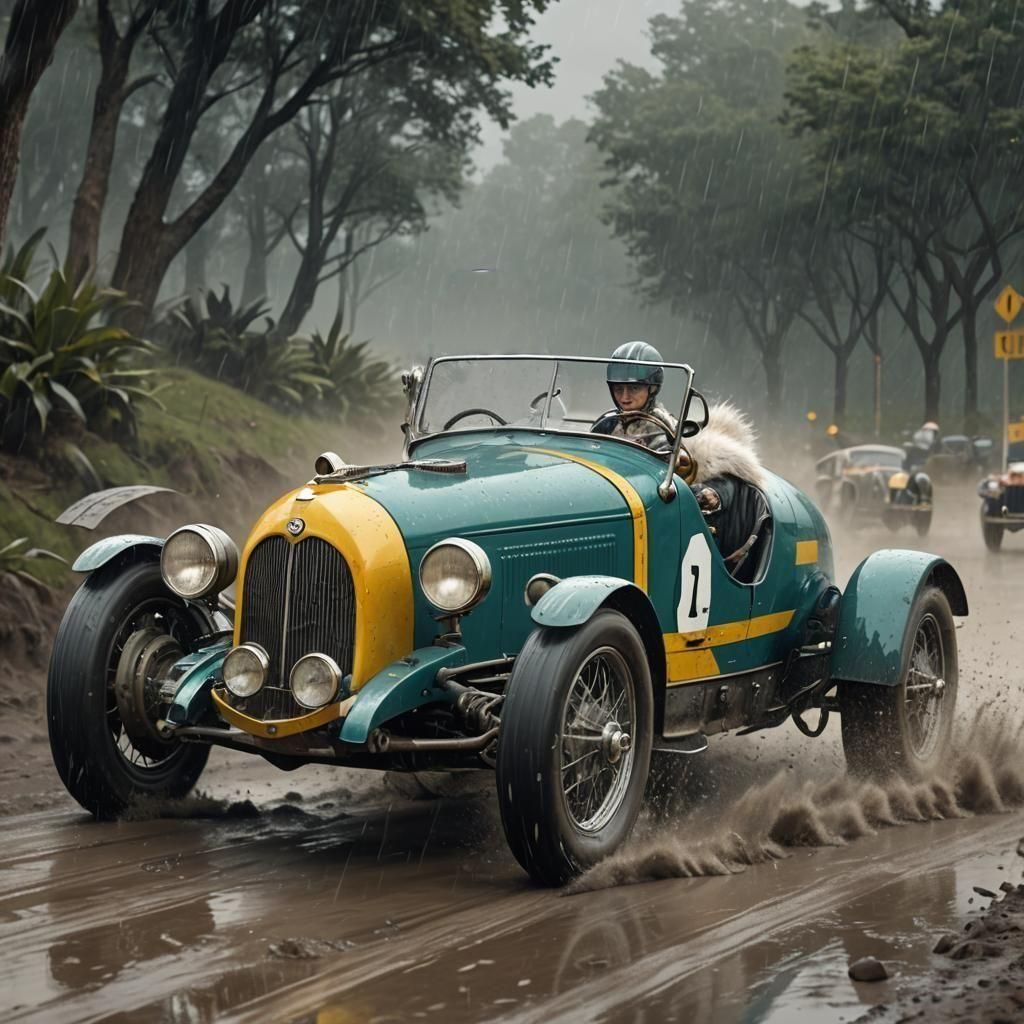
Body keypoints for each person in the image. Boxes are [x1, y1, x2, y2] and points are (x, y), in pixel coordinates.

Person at [591, 341, 678, 452]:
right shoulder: (606, 422)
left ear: (653, 388)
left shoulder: (668, 428)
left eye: (634, 388)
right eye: (618, 389)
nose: (624, 397)